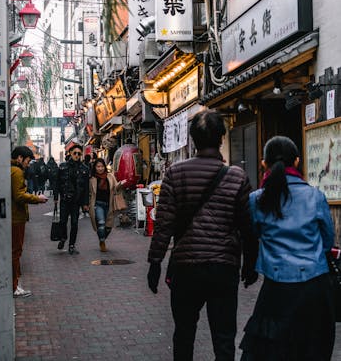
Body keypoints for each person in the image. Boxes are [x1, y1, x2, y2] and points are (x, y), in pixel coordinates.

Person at [147, 110, 259, 361]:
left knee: (184, 333)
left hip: (186, 267)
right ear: (221, 138)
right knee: (224, 336)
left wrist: (155, 263)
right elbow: (247, 226)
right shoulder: (236, 176)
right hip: (223, 267)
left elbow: (164, 224)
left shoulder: (174, 174)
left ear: (193, 140)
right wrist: (251, 265)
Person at [239, 136, 335, 360]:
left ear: (264, 164)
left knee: (273, 350)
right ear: (298, 162)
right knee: (311, 348)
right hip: (314, 286)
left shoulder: (257, 199)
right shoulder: (315, 196)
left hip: (276, 287)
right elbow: (328, 241)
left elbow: (253, 235)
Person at [11, 146, 48, 297]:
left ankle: (14, 283)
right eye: (27, 160)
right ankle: (14, 286)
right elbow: (19, 195)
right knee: (16, 251)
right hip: (16, 217)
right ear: (20, 158)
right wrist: (37, 199)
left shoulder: (12, 170)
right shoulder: (17, 171)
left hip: (14, 216)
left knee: (15, 251)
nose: (28, 164)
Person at [54, 144, 90, 255]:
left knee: (74, 223)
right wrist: (56, 197)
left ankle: (71, 245)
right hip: (65, 199)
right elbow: (57, 183)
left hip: (76, 201)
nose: (77, 155)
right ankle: (63, 237)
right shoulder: (62, 167)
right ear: (70, 153)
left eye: (79, 154)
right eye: (75, 153)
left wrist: (85, 203)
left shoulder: (85, 168)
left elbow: (86, 188)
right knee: (63, 221)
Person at [89, 158, 125, 252]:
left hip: (109, 205)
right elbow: (88, 192)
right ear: (95, 168)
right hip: (97, 204)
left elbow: (115, 188)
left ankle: (103, 237)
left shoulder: (110, 176)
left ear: (104, 167)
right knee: (101, 223)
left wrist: (121, 184)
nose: (100, 168)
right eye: (98, 166)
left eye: (101, 166)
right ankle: (102, 241)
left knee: (108, 227)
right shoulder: (92, 179)